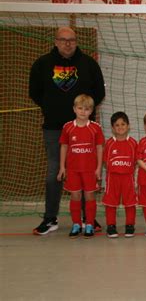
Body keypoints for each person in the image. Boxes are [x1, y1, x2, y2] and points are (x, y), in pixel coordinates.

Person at [29, 26, 105, 235]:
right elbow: (34, 91)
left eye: (71, 39)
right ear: (55, 41)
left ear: (76, 41)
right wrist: (52, 108)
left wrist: (82, 115)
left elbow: (99, 92)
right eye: (63, 39)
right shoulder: (42, 64)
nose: (67, 43)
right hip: (54, 128)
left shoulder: (89, 64)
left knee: (86, 171)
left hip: (84, 130)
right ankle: (50, 218)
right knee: (55, 172)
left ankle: (87, 218)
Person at [56, 94, 104, 238]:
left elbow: (100, 148)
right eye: (80, 108)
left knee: (89, 196)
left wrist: (98, 168)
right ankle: (76, 224)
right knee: (75, 196)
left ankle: (89, 224)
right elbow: (64, 146)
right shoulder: (68, 127)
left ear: (91, 111)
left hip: (89, 170)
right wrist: (62, 167)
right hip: (73, 169)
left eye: (87, 109)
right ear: (74, 109)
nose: (83, 111)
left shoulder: (95, 128)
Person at [102, 112, 138, 238]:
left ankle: (130, 225)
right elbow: (106, 161)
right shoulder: (109, 143)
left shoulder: (133, 143)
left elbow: (135, 161)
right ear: (112, 128)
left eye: (123, 124)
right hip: (113, 178)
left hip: (128, 178)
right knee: (110, 203)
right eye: (117, 125)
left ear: (128, 126)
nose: (120, 127)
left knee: (130, 202)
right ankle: (111, 226)